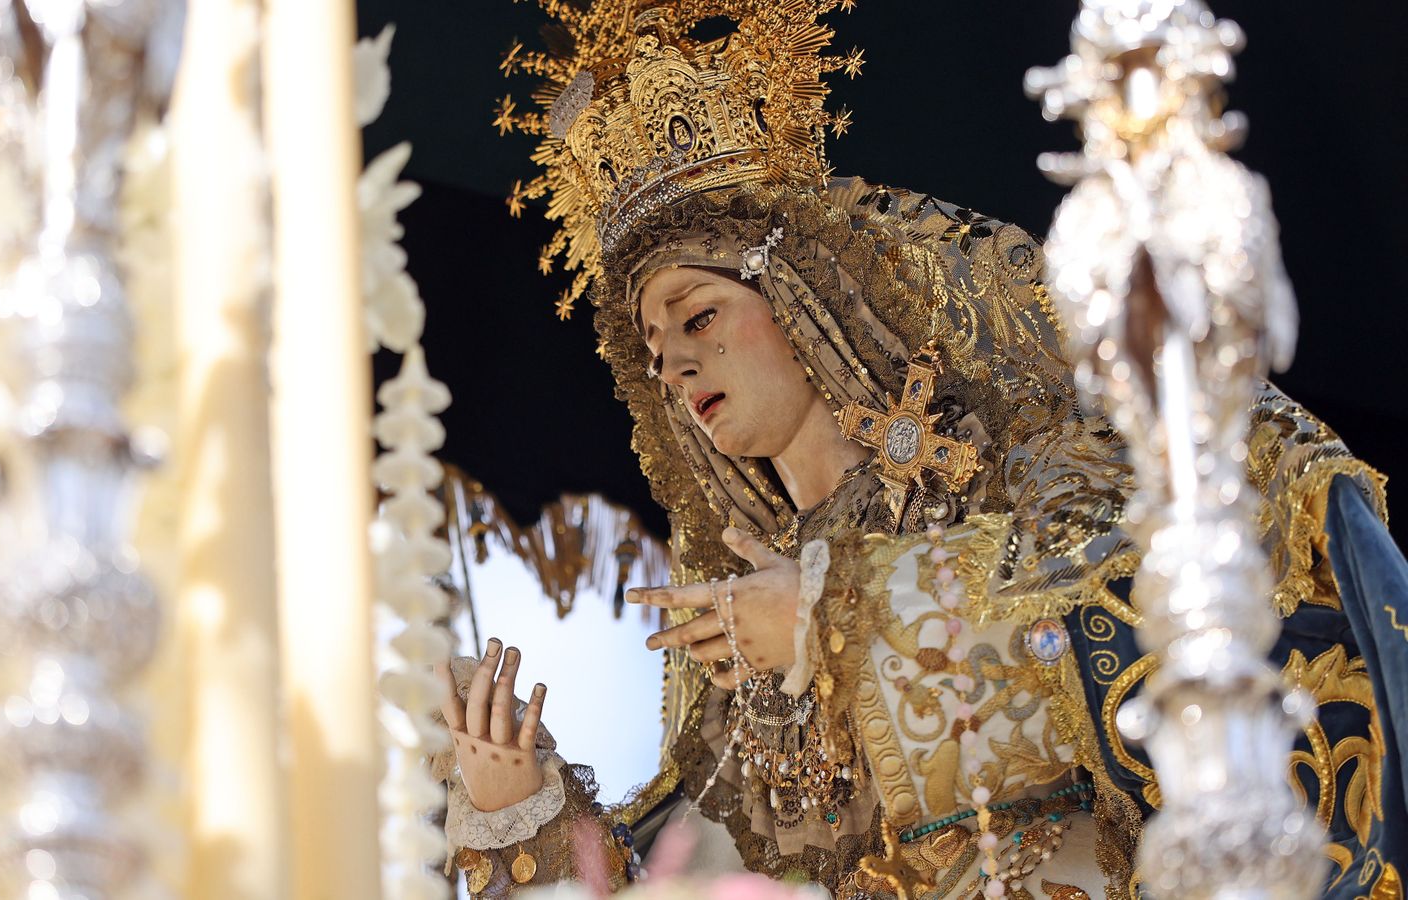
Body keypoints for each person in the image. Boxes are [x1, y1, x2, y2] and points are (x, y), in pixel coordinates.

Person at [434, 3, 1407, 897]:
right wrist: (526, 811)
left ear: (805, 304)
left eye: (700, 316)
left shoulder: (1021, 480)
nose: (678, 367)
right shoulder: (725, 616)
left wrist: (841, 625)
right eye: (652, 355)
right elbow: (711, 863)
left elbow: (1175, 628)